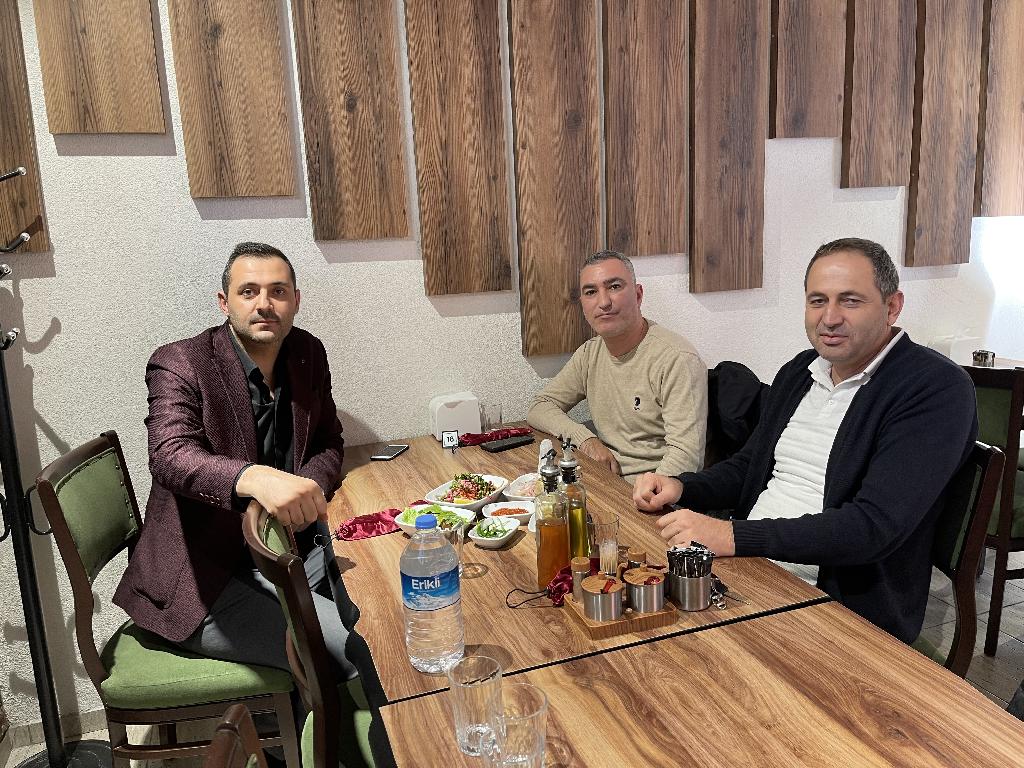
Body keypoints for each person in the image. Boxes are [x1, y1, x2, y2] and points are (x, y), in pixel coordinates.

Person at [633, 237, 978, 643]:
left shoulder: (935, 388)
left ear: (892, 306)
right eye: (817, 301)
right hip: (749, 572)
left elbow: (872, 527)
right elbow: (749, 466)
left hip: (840, 609)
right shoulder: (802, 370)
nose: (829, 318)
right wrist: (682, 486)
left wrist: (732, 536)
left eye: (850, 301)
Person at [114, 242, 361, 682]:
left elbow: (328, 442)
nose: (264, 304)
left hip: (292, 550)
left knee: (390, 602)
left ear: (295, 300)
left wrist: (303, 492)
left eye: (278, 291)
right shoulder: (180, 362)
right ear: (224, 303)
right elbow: (169, 455)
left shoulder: (307, 352)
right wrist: (256, 478)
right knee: (361, 650)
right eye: (249, 291)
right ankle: (326, 724)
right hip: (206, 581)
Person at [527, 250, 707, 482]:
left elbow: (686, 457)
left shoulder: (676, 359)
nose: (604, 302)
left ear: (638, 295)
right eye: (591, 292)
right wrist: (586, 440)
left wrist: (642, 494)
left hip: (652, 491)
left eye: (614, 287)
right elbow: (540, 406)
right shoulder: (590, 353)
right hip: (603, 482)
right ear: (583, 305)